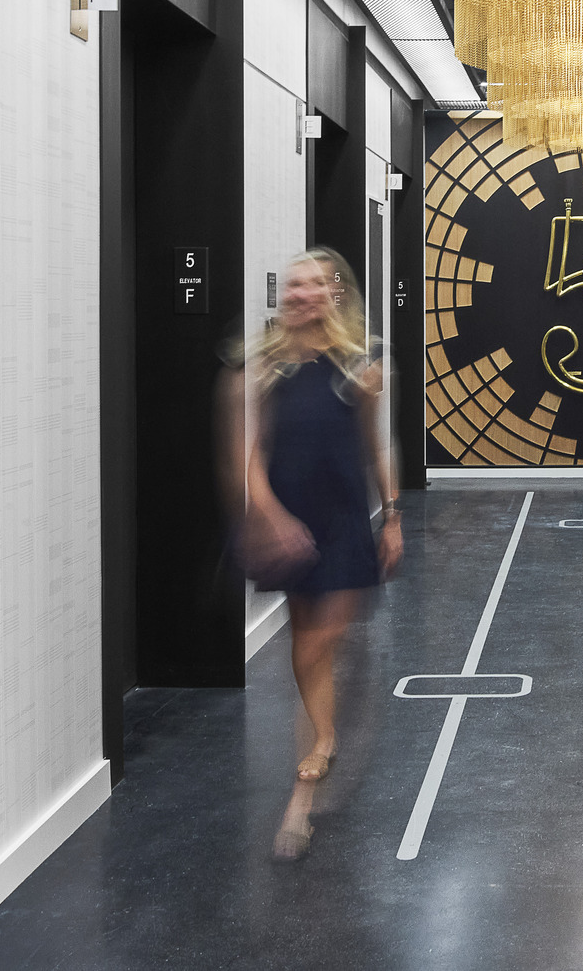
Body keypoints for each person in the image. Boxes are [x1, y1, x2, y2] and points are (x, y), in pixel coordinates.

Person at [230, 248, 402, 860]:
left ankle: (323, 740)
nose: (300, 294)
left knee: (317, 642)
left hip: (342, 523)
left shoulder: (361, 363)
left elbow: (374, 448)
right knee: (309, 644)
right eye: (293, 285)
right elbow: (249, 453)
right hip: (288, 523)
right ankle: (307, 784)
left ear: (335, 294)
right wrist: (271, 516)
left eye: (313, 285)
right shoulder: (263, 367)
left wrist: (393, 518)